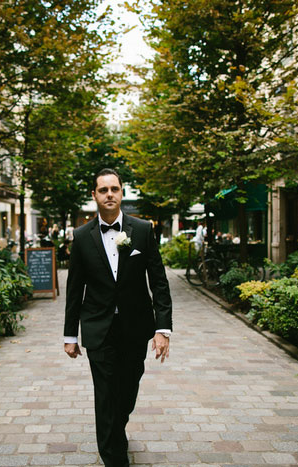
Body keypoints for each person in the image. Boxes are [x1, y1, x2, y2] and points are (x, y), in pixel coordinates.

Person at [64, 168, 172, 467]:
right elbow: (74, 290)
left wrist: (163, 329)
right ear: (94, 195)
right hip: (98, 328)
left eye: (114, 189)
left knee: (127, 391)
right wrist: (70, 336)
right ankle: (113, 456)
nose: (109, 194)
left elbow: (159, 282)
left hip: (135, 328)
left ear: (121, 193)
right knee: (105, 394)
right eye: (103, 190)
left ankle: (116, 429)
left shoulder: (143, 230)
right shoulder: (82, 236)